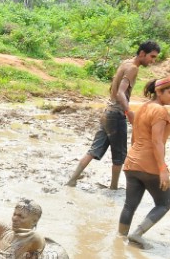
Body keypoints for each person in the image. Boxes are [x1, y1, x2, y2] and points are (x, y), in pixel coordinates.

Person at [67, 41, 161, 189]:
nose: (153, 61)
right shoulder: (133, 68)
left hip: (108, 112)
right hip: (116, 115)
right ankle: (114, 188)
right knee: (119, 156)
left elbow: (113, 87)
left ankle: (72, 180)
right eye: (152, 56)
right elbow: (120, 92)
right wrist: (129, 112)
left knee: (93, 150)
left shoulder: (126, 63)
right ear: (142, 53)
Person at [118, 77, 170, 247]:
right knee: (165, 203)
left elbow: (134, 136)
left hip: (131, 163)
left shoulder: (142, 107)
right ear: (159, 92)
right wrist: (163, 169)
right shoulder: (161, 112)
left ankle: (120, 239)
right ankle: (137, 234)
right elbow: (157, 142)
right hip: (150, 166)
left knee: (129, 205)